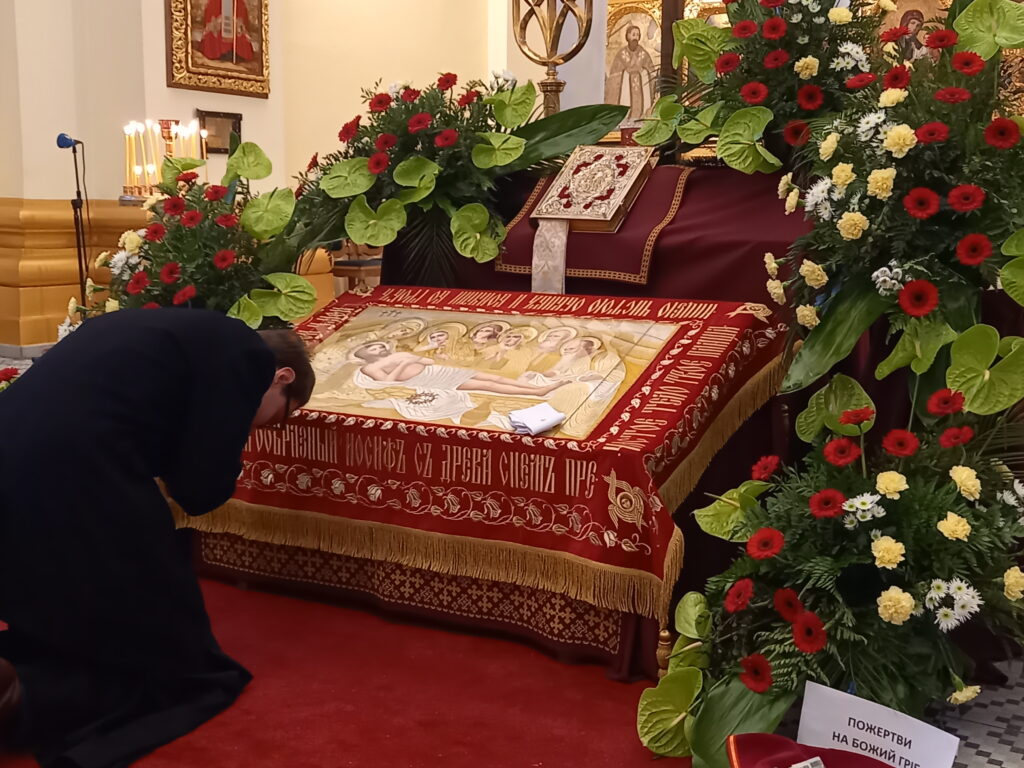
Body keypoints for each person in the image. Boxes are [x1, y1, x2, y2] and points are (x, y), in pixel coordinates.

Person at [0, 308, 314, 767]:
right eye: (278, 418)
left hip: (13, 452)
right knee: (185, 668)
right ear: (281, 377)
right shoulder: (246, 356)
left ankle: (20, 674)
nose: (262, 429)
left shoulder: (162, 327)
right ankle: (25, 698)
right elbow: (199, 490)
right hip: (78, 471)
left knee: (54, 617)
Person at [352, 342, 568, 397]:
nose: (379, 349)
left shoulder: (396, 354)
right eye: (373, 348)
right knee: (486, 385)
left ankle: (534, 388)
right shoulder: (371, 367)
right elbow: (387, 381)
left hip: (437, 371)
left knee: (494, 378)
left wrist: (419, 359)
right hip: (428, 380)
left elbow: (426, 361)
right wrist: (404, 363)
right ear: (365, 353)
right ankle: (538, 392)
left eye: (380, 346)